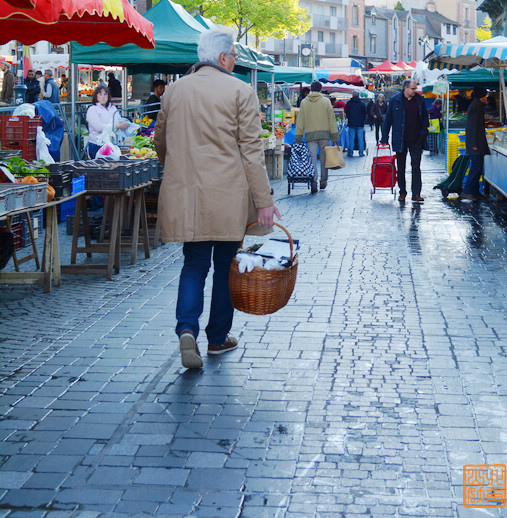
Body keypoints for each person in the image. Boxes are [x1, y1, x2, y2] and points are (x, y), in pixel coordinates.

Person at [154, 29, 280, 370]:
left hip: (188, 196)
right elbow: (252, 152)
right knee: (226, 267)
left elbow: (160, 142)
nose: (235, 61)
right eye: (235, 56)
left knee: (194, 264)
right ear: (223, 57)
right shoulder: (241, 90)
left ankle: (186, 330)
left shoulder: (174, 91)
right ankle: (217, 337)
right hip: (228, 196)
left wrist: (177, 169)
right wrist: (264, 200)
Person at [381, 79, 429, 203]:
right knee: (400, 167)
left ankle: (416, 193)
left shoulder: (419, 100)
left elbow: (424, 119)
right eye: (412, 89)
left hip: (416, 139)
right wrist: (384, 138)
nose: (415, 91)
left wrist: (423, 133)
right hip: (400, 139)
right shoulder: (395, 100)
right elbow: (388, 120)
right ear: (405, 88)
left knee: (416, 167)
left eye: (415, 88)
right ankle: (402, 192)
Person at [294, 80, 339, 193]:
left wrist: (298, 136)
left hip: (310, 135)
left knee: (312, 159)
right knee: (324, 159)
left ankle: (313, 181)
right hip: (325, 134)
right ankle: (323, 181)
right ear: (320, 89)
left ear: (310, 89)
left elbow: (300, 120)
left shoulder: (304, 102)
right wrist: (335, 137)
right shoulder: (326, 101)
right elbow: (331, 119)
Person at [461, 85, 490, 201]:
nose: (486, 96)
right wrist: (473, 144)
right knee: (476, 167)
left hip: (477, 142)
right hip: (475, 143)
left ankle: (475, 191)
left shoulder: (476, 104)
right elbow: (472, 126)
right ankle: (467, 191)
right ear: (482, 95)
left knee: (478, 167)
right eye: (485, 94)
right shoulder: (476, 105)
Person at [85, 85, 128, 158]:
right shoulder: (92, 110)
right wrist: (116, 126)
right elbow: (98, 127)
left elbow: (118, 120)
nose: (103, 97)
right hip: (97, 144)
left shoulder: (113, 108)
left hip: (113, 144)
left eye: (105, 94)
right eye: (100, 94)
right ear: (96, 96)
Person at [344, 89, 366, 157]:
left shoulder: (349, 103)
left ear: (353, 95)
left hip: (351, 123)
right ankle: (361, 152)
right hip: (360, 123)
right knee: (360, 139)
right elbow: (364, 113)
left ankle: (350, 152)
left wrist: (349, 118)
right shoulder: (362, 104)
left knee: (351, 139)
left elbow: (346, 112)